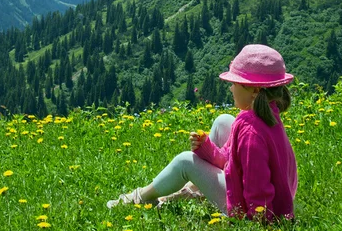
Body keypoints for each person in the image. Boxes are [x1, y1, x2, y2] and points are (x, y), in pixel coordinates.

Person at [107, 44, 297, 221]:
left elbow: (258, 186)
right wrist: (206, 149)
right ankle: (191, 191)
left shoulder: (251, 133)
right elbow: (233, 160)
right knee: (224, 121)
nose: (231, 88)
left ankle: (140, 197)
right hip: (282, 192)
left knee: (185, 161)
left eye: (235, 83)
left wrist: (258, 221)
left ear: (253, 91)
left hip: (258, 208)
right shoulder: (263, 115)